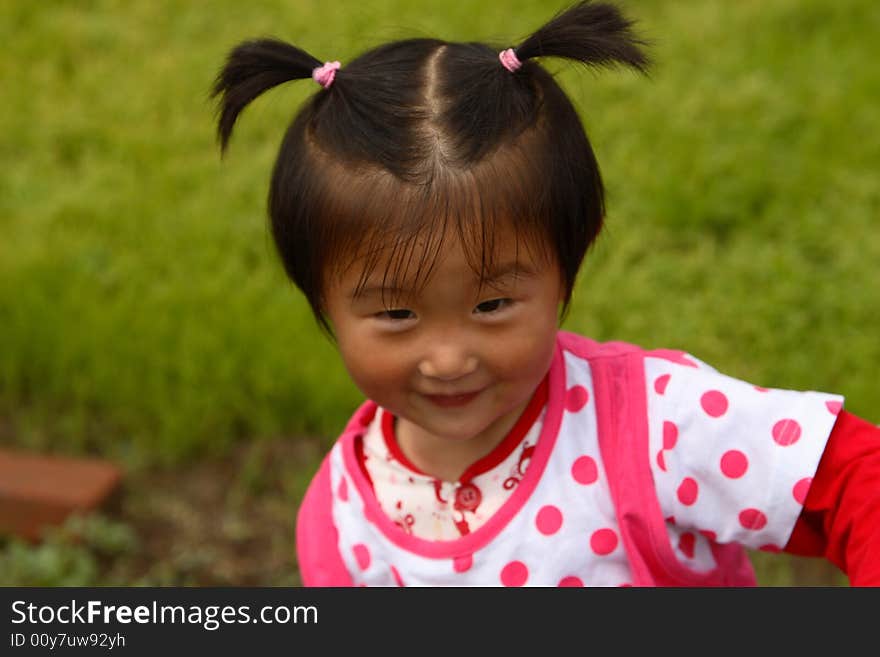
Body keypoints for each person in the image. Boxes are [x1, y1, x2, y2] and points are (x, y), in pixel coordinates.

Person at [212, 1, 879, 586]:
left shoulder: (652, 427)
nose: (448, 358)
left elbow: (855, 479)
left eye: (492, 304)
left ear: (572, 255)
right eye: (395, 313)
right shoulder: (341, 518)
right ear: (320, 297)